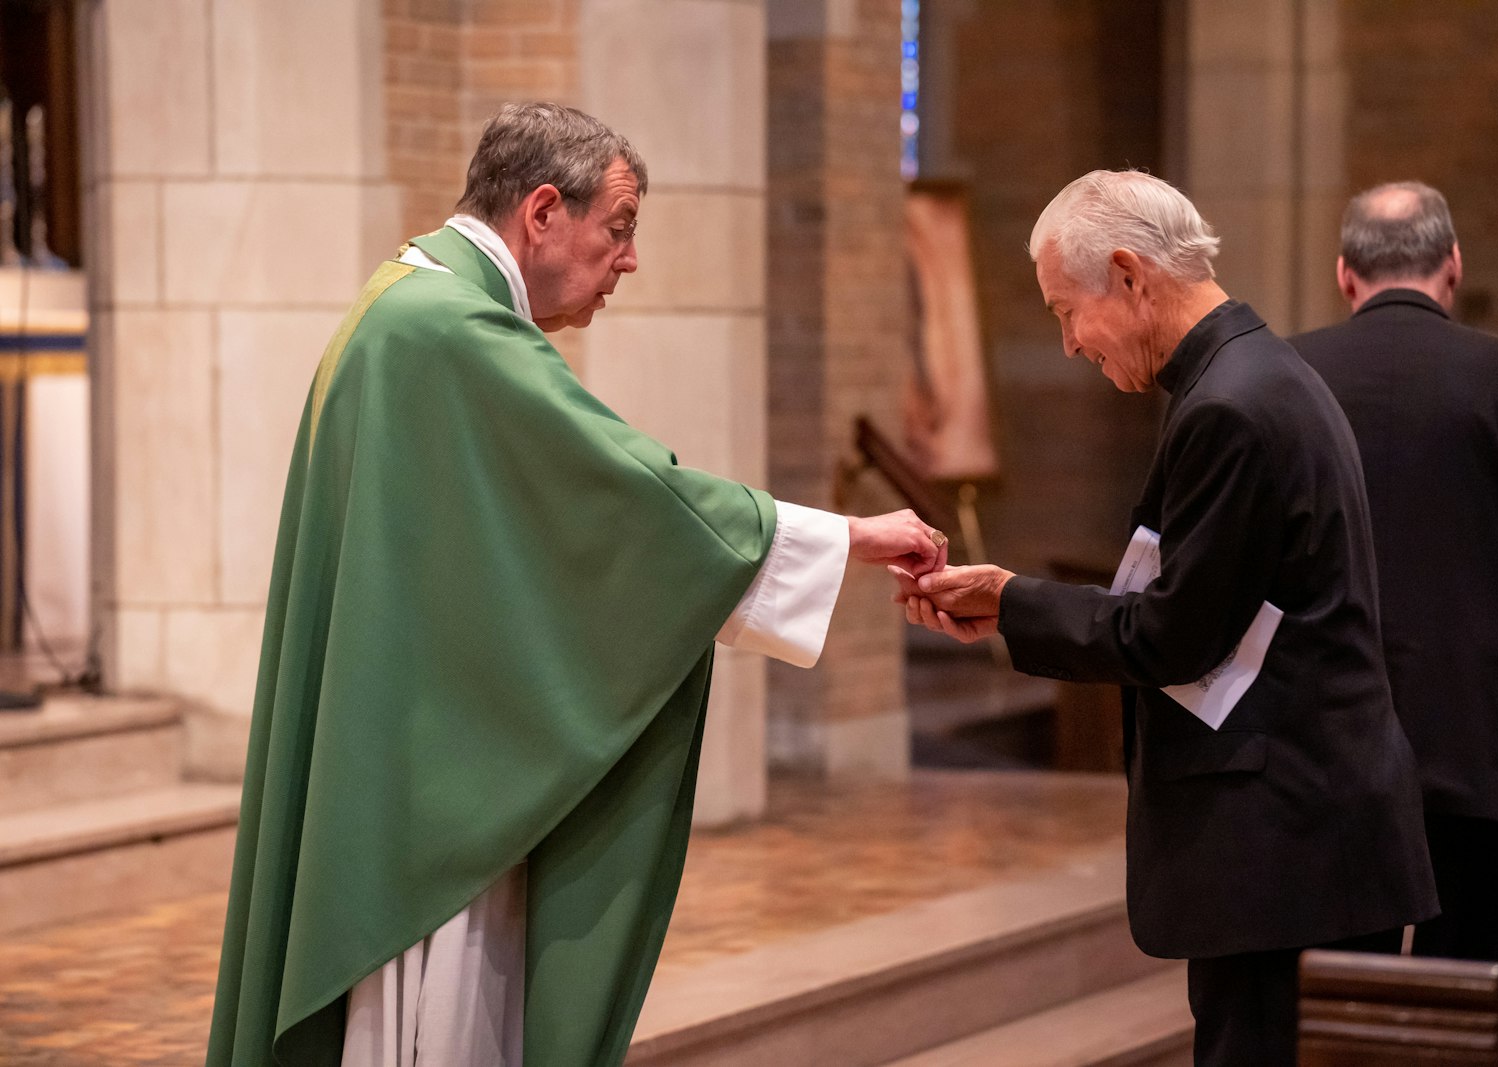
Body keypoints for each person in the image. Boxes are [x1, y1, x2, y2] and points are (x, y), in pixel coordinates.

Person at [205, 101, 946, 1067]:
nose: (629, 261)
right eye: (620, 228)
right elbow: (631, 501)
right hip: (441, 801)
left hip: (414, 747)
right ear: (543, 211)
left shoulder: (402, 301)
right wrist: (848, 536)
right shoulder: (453, 330)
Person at [895, 170, 1438, 1066]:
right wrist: (1014, 600)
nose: (1068, 342)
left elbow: (1177, 634)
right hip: (1308, 839)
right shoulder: (1252, 373)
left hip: (1284, 848)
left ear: (1130, 275)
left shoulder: (1231, 406)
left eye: (1068, 311)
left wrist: (1008, 602)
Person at [1290, 181, 1498, 1062]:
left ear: (1345, 274)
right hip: (1484, 736)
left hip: (1327, 740)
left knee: (1340, 999)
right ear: (1453, 265)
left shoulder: (1289, 375)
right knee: (1473, 991)